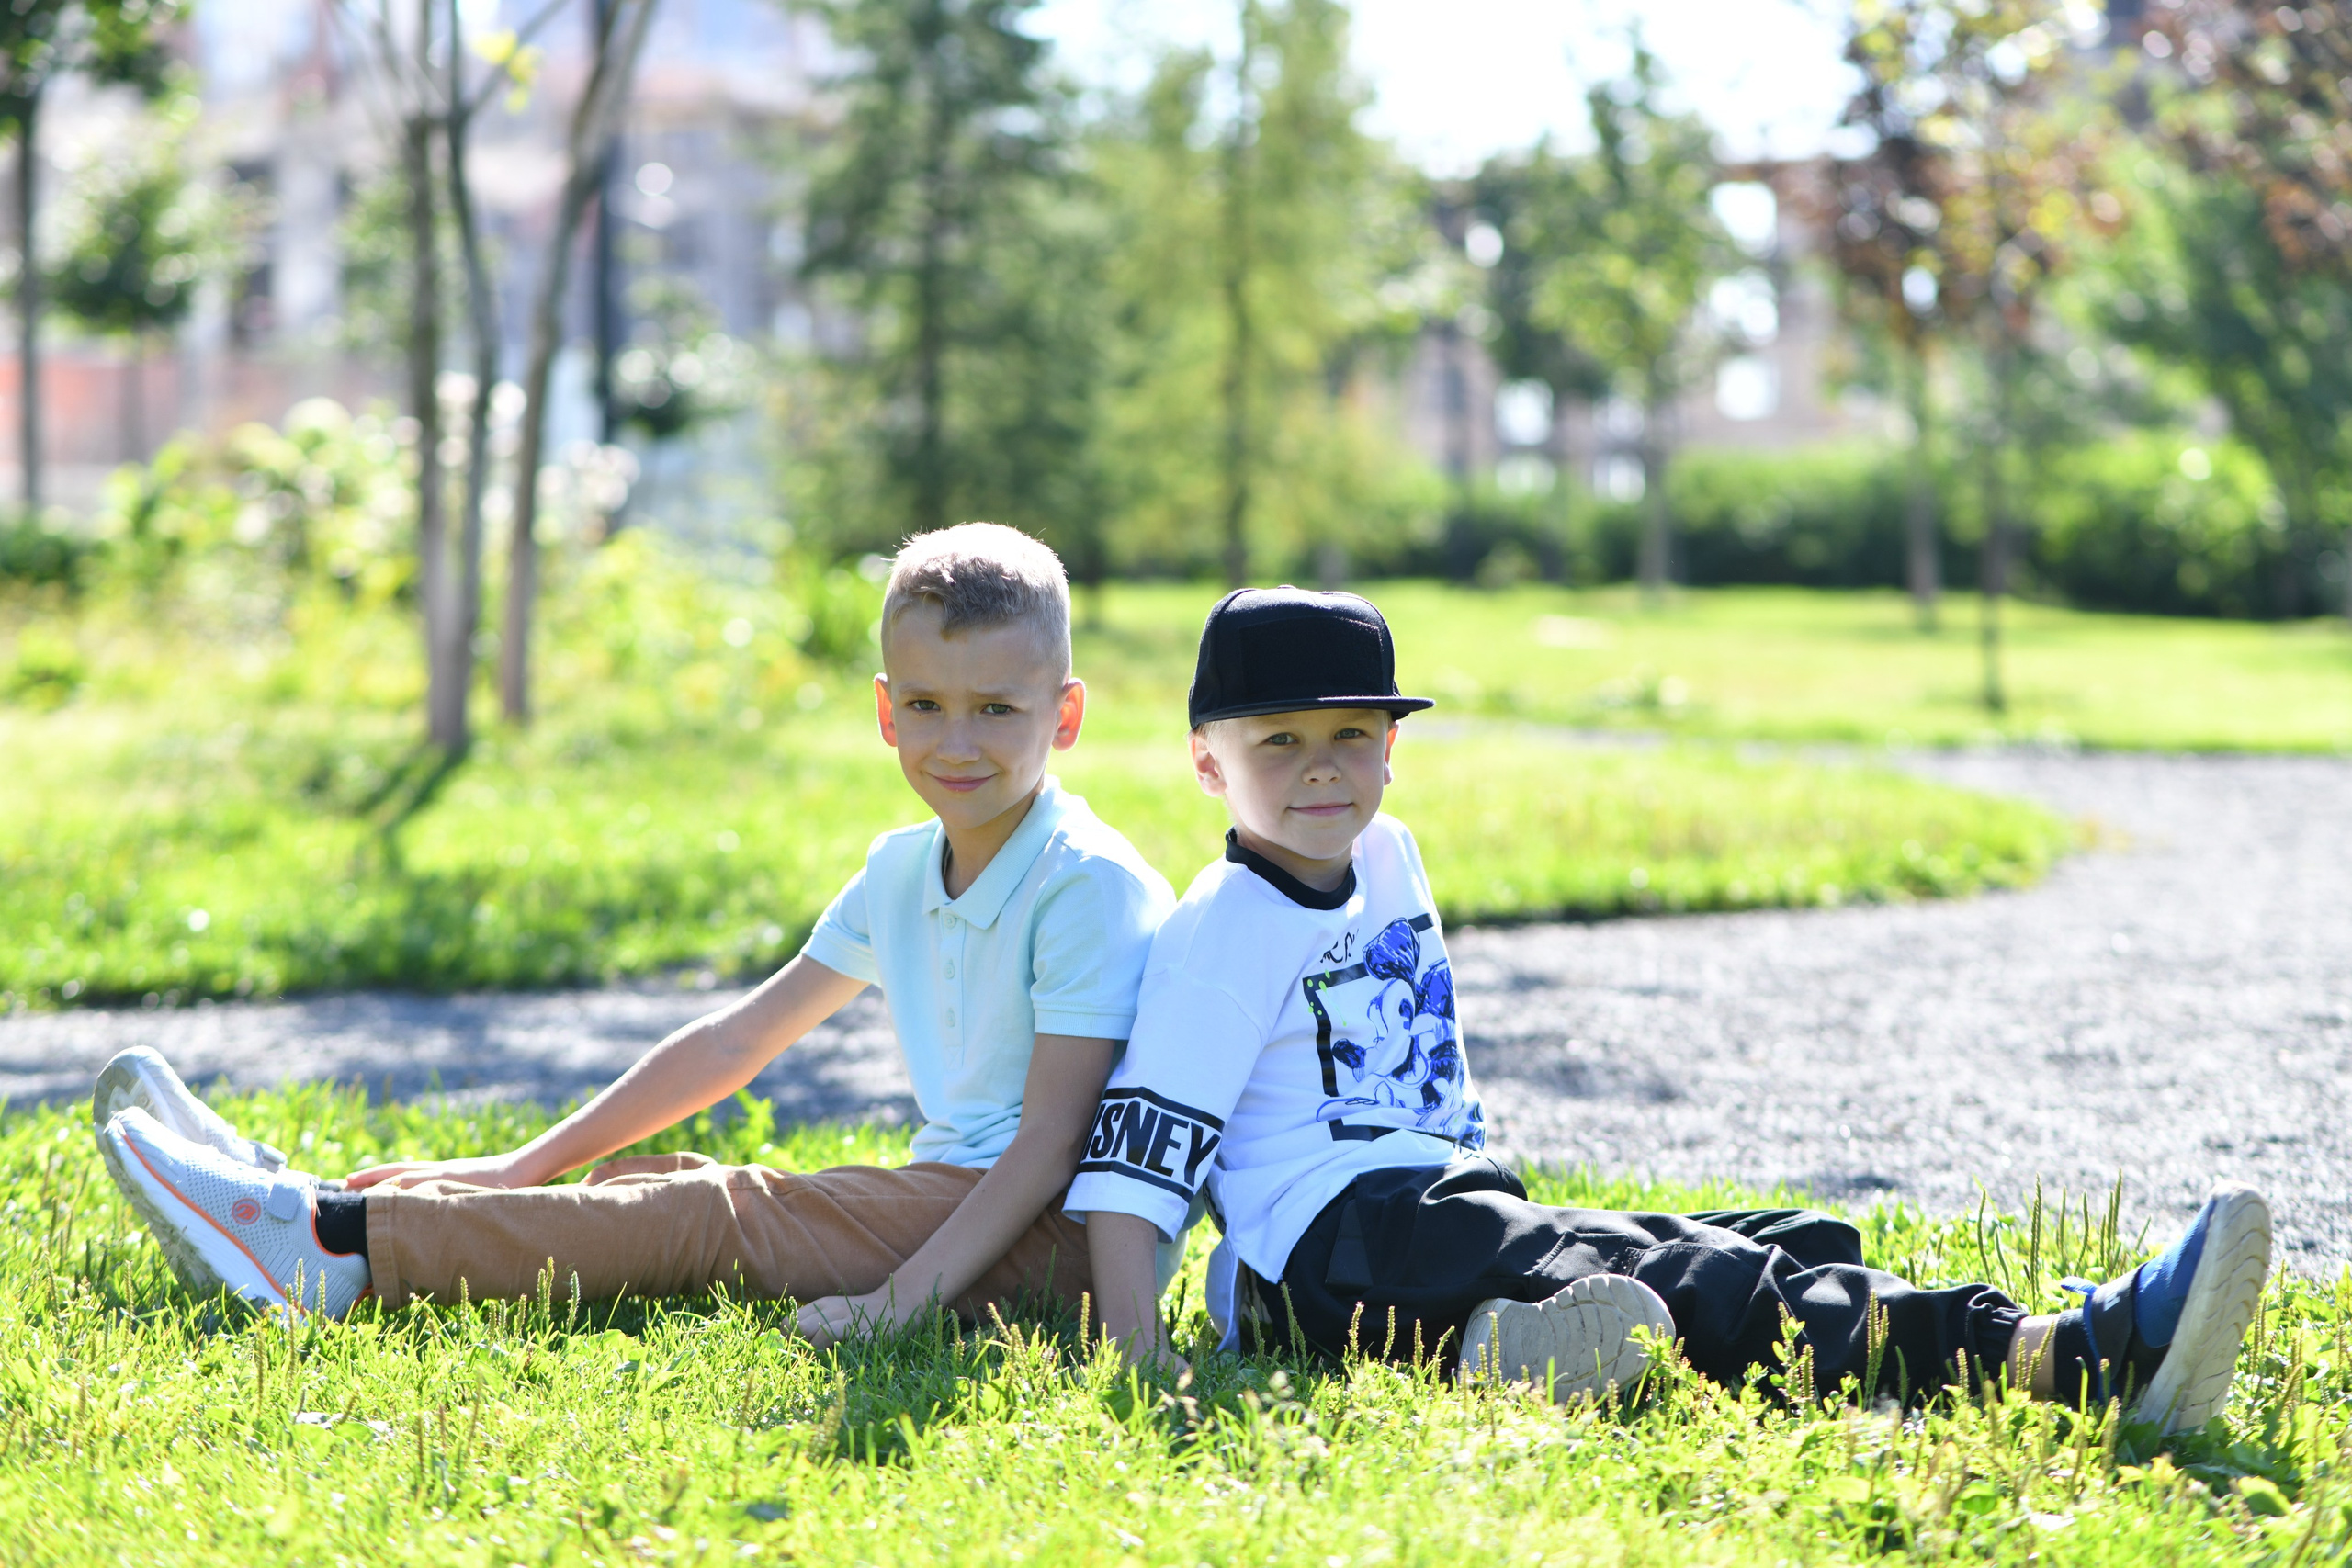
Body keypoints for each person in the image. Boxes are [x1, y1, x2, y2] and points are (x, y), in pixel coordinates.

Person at [1067, 585, 2272, 1429]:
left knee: (1803, 1236)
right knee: (1707, 1279)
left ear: (1393, 745)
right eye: (1279, 740)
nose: (1322, 765)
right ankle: (2067, 1355)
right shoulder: (1221, 933)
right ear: (1208, 761)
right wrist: (1142, 1359)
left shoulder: (1389, 853)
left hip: (1436, 1209)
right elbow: (1134, 1170)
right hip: (1336, 1247)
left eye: (1351, 732)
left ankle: (1493, 1344)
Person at [95, 524, 1177, 1342]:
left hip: (1060, 1246)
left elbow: (1049, 1148)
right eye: (929, 707)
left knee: (712, 1214)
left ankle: (327, 1247)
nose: (958, 742)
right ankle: (329, 1200)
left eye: (998, 709)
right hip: (956, 1200)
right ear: (887, 711)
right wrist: (516, 1167)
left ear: (1065, 715)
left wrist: (899, 1302)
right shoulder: (900, 868)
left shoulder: (1084, 885)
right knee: (659, 1184)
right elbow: (734, 1042)